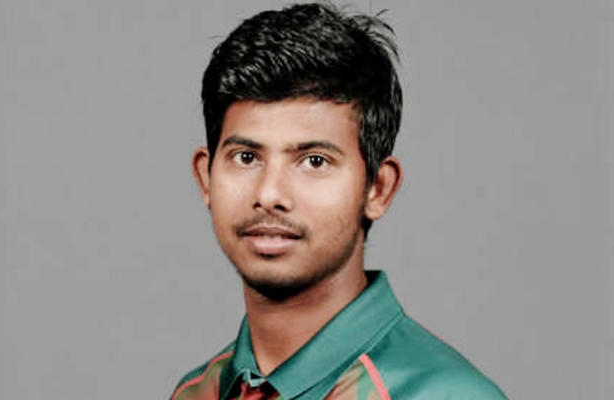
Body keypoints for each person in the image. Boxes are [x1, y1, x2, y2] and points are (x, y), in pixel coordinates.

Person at [171, 3, 507, 400]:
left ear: (377, 188)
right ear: (205, 178)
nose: (269, 194)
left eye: (314, 161)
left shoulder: (444, 395)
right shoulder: (197, 392)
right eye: (246, 158)